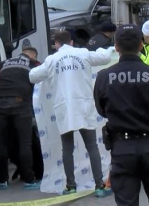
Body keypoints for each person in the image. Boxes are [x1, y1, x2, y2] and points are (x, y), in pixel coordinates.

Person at [94, 24, 149, 206]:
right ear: (141, 45)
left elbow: (101, 109)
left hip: (122, 150)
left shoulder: (104, 77)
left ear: (117, 47)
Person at [28, 31, 113, 196]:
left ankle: (70, 186)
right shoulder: (83, 53)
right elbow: (105, 57)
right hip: (84, 107)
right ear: (72, 42)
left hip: (64, 109)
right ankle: (99, 185)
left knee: (67, 149)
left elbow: (32, 77)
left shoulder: (52, 59)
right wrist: (108, 49)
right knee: (92, 147)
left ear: (56, 44)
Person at [0, 48, 40, 190]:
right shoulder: (33, 64)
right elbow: (38, 86)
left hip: (0, 102)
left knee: (2, 141)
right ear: (33, 55)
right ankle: (29, 180)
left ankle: (2, 181)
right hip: (20, 102)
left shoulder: (3, 63)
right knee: (25, 143)